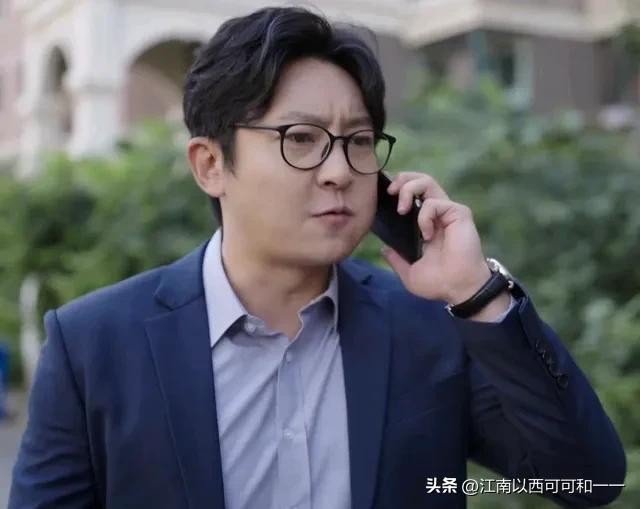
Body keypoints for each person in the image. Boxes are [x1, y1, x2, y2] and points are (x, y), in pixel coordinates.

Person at [9, 7, 625, 509]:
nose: (339, 171)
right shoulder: (94, 346)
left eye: (358, 141)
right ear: (210, 164)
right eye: (300, 139)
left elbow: (587, 480)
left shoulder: (428, 327)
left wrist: (476, 293)